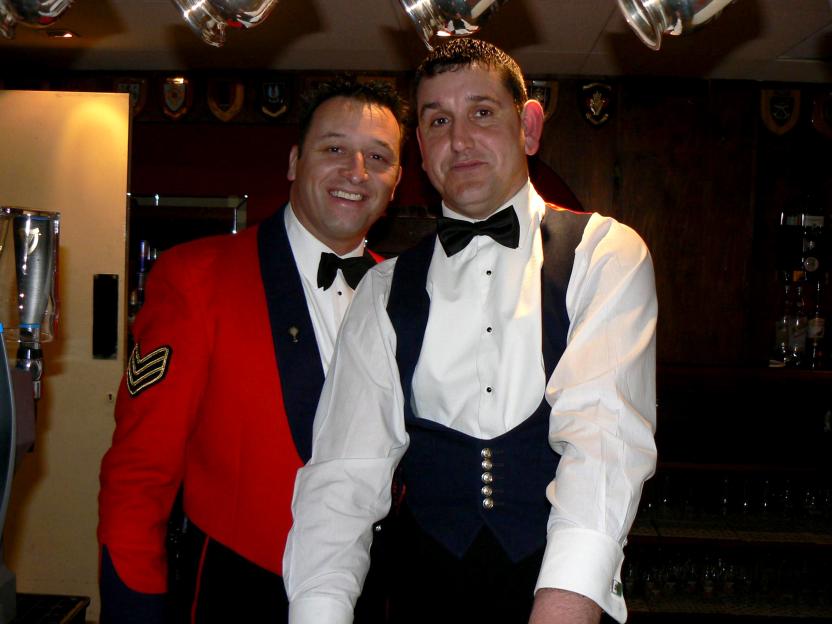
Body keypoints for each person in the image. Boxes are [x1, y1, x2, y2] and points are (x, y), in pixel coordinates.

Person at [284, 39, 657, 624]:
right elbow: (342, 479)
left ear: (528, 127)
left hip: (562, 595)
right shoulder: (382, 293)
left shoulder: (604, 254)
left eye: (482, 112)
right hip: (419, 598)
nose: (460, 140)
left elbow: (604, 443)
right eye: (438, 121)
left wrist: (564, 604)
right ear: (422, 154)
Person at [97, 76, 407, 623]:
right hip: (236, 591)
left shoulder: (408, 294)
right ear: (293, 162)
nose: (356, 173)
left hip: (377, 592)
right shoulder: (196, 278)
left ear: (397, 180)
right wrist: (135, 609)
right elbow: (139, 476)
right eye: (334, 148)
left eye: (377, 157)